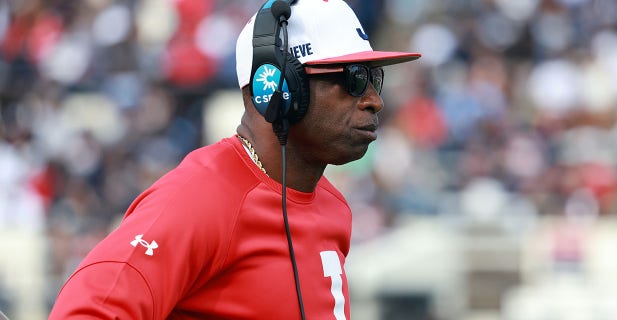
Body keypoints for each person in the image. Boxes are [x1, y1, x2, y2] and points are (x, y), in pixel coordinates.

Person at [49, 0, 420, 319]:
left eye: (375, 77)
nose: (374, 99)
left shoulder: (333, 205)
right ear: (276, 88)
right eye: (353, 78)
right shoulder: (198, 198)